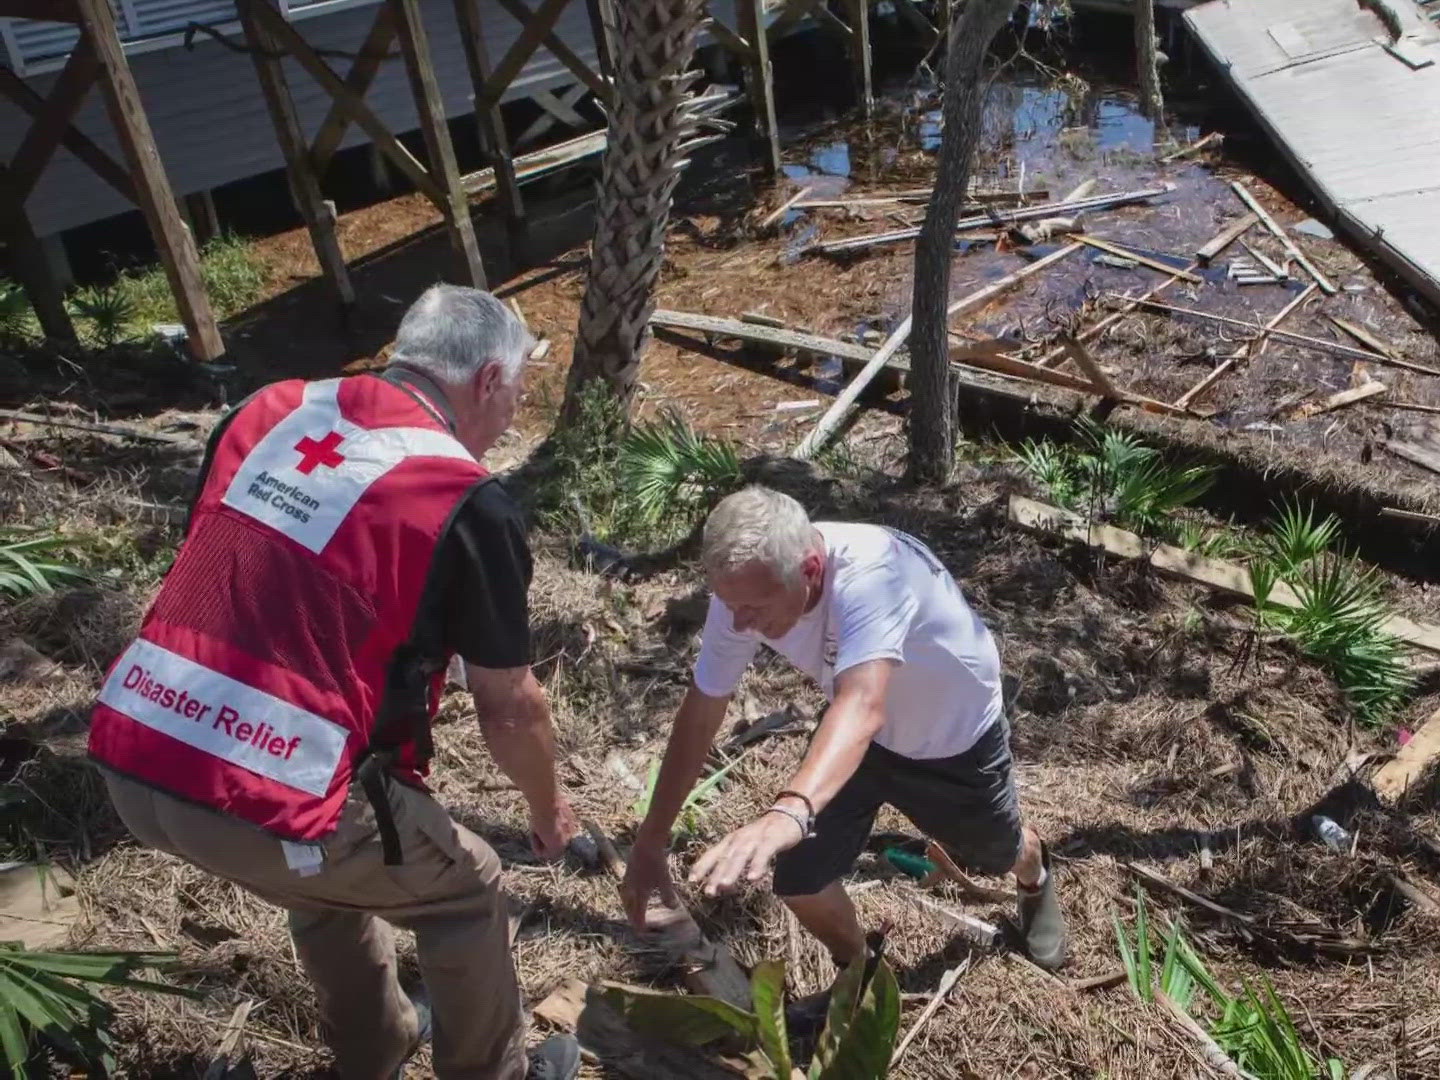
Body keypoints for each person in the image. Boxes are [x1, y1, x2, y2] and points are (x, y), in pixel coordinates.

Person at [88, 285, 581, 1080]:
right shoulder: (466, 498)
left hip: (134, 750)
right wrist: (548, 811)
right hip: (253, 799)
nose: (518, 410)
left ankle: (375, 1044)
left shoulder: (271, 409)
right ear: (488, 379)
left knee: (329, 872)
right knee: (469, 889)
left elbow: (220, 563)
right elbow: (510, 706)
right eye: (521, 385)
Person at [620, 486, 1068, 973]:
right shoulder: (741, 596)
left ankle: (1033, 868)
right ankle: (862, 969)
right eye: (730, 604)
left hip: (952, 738)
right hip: (857, 738)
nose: (738, 622)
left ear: (810, 570)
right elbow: (704, 707)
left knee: (995, 852)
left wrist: (788, 811)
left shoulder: (874, 575)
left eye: (753, 607)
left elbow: (863, 702)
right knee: (800, 881)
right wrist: (650, 840)